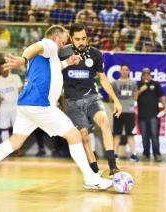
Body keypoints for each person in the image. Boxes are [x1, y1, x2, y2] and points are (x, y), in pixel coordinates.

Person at [0, 25, 112, 190]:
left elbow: (52, 68)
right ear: (57, 38)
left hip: (26, 104)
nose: (63, 46)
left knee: (15, 142)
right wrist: (22, 59)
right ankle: (90, 178)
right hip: (41, 105)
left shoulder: (48, 57)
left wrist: (67, 62)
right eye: (64, 42)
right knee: (75, 136)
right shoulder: (49, 45)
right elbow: (35, 47)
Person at [58, 23, 122, 177]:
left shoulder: (96, 54)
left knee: (105, 122)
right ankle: (94, 170)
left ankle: (113, 167)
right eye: (78, 39)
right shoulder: (62, 53)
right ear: (71, 39)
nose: (81, 42)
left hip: (92, 98)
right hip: (72, 102)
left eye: (84, 38)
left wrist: (116, 100)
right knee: (84, 135)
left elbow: (103, 79)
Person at [136, 68, 166, 162]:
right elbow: (134, 97)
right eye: (144, 74)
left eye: (148, 74)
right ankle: (146, 154)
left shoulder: (156, 84)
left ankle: (157, 154)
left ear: (150, 75)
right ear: (142, 75)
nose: (146, 75)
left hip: (154, 115)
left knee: (154, 135)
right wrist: (141, 90)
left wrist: (165, 107)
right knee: (144, 136)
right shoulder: (138, 84)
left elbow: (161, 96)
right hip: (142, 115)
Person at [111, 64, 138, 162]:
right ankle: (115, 154)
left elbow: (135, 96)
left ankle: (134, 154)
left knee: (130, 134)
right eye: (123, 70)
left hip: (129, 111)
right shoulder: (114, 83)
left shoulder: (133, 83)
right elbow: (111, 98)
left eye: (126, 70)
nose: (124, 71)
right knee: (117, 134)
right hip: (118, 111)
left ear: (129, 71)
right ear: (120, 71)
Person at [0, 60, 23, 142]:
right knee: (4, 128)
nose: (5, 69)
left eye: (6, 67)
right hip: (4, 107)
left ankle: (18, 148)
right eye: (2, 68)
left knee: (18, 128)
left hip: (16, 107)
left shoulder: (15, 77)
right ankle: (6, 148)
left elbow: (21, 90)